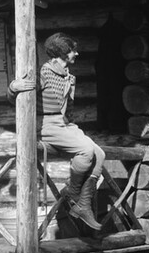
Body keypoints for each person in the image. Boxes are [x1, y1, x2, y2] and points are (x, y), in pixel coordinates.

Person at [8, 32, 106, 231]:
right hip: (47, 125)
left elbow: (67, 109)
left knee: (99, 153)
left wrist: (72, 128)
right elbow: (16, 97)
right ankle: (73, 193)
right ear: (62, 53)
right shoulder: (43, 73)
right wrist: (13, 87)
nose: (76, 54)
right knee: (86, 150)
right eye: (72, 50)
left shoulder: (68, 76)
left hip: (65, 125)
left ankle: (83, 206)